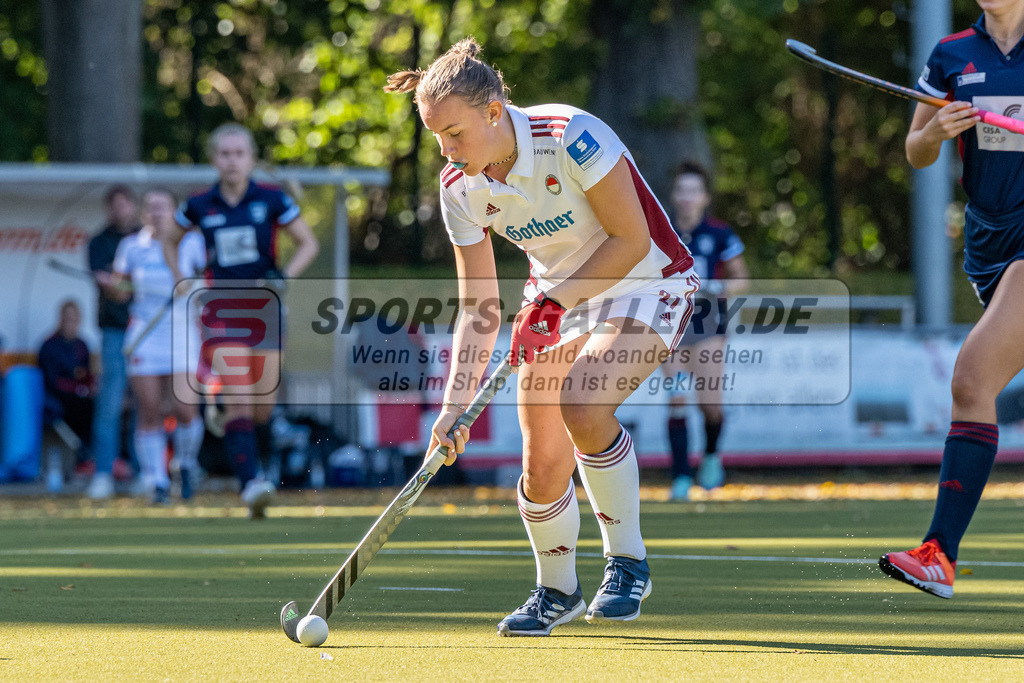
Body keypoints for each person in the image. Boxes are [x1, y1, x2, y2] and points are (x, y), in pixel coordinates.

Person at [385, 37, 698, 636]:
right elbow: (478, 305)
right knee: (542, 463)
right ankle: (557, 591)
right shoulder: (459, 188)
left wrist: (554, 302)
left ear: (494, 112)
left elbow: (629, 239)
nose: (446, 151)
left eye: (454, 133)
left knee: (582, 401)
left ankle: (627, 562)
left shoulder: (571, 134)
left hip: (648, 279)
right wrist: (454, 407)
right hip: (557, 298)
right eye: (436, 138)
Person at [878, 1, 1024, 599]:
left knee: (971, 380)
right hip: (988, 241)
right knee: (975, 384)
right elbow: (916, 151)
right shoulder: (951, 55)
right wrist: (934, 131)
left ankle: (939, 553)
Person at [167, 122, 319, 518]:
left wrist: (283, 276)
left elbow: (308, 242)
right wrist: (178, 278)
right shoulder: (199, 205)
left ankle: (242, 444)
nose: (232, 161)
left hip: (265, 310)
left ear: (251, 159)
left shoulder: (271, 199)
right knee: (239, 398)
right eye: (224, 154)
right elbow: (169, 238)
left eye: (239, 154)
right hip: (221, 310)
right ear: (214, 159)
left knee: (262, 408)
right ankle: (251, 484)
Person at [110, 189, 207, 504]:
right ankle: (157, 481)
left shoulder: (192, 243)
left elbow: (207, 283)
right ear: (142, 213)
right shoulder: (131, 246)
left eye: (162, 207)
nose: (156, 213)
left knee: (185, 408)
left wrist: (193, 287)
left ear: (174, 211)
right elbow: (121, 292)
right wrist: (112, 287)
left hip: (181, 333)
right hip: (145, 335)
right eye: (150, 207)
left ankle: (187, 463)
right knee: (149, 408)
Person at [660, 161, 749, 500]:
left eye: (693, 191)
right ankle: (681, 477)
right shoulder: (661, 231)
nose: (687, 197)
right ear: (674, 195)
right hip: (670, 327)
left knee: (710, 405)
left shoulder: (720, 233)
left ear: (704, 197)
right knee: (677, 398)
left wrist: (719, 287)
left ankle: (711, 457)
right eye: (682, 190)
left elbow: (742, 279)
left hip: (709, 326)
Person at [86, 185, 140, 499]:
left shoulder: (147, 240)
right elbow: (108, 283)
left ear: (132, 206)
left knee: (146, 403)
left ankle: (144, 472)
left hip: (146, 331)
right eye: (114, 205)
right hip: (114, 331)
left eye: (124, 204)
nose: (120, 210)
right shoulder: (99, 242)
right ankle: (103, 472)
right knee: (110, 403)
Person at [38, 300, 95, 463]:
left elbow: (87, 376)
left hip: (80, 397)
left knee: (96, 406)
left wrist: (89, 388)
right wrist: (77, 389)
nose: (72, 323)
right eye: (68, 318)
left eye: (75, 319)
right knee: (82, 406)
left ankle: (90, 456)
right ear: (61, 319)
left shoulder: (82, 345)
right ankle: (82, 455)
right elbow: (51, 381)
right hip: (56, 397)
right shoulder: (49, 346)